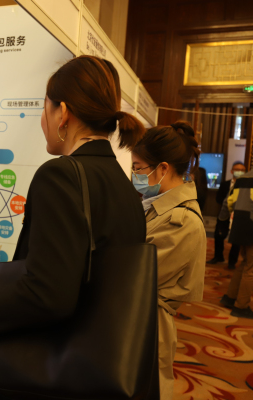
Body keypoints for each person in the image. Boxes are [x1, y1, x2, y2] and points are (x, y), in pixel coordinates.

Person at [0, 55, 147, 397]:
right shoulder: (122, 183)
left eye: (43, 107)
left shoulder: (61, 175)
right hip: (103, 370)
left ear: (63, 113)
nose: (41, 120)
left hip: (51, 373)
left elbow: (48, 295)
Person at [131, 121, 206, 400]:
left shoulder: (181, 220)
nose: (135, 175)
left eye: (138, 168)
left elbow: (136, 278)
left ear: (162, 169)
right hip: (138, 317)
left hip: (149, 323)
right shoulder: (158, 206)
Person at [222, 166, 253, 319]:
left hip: (240, 224)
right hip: (252, 224)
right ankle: (241, 306)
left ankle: (230, 297)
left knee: (245, 263)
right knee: (251, 269)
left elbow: (229, 202)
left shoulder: (242, 179)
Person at [208, 161, 247, 268]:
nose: (239, 172)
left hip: (238, 217)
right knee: (218, 235)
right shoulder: (225, 184)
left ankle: (232, 262)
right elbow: (218, 198)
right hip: (224, 215)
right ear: (232, 171)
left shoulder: (246, 185)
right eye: (237, 170)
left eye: (242, 170)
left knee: (236, 240)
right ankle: (218, 257)